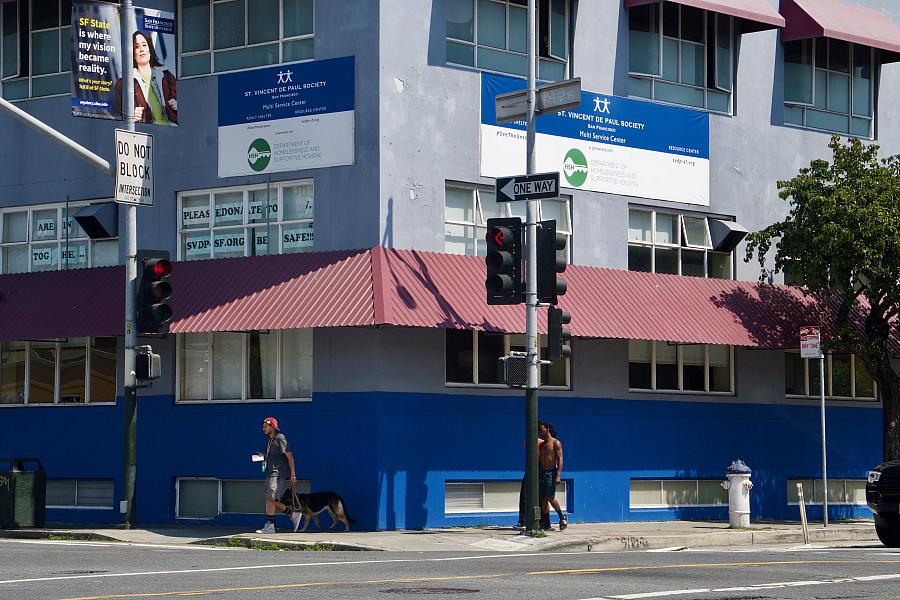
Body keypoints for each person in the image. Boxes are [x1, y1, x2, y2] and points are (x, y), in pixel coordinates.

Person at [114, 30, 177, 125]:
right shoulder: (123, 83)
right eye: (136, 47)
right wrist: (130, 117)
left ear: (150, 50)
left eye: (144, 45)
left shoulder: (167, 75)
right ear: (132, 54)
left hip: (172, 129)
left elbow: (188, 103)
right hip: (146, 131)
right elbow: (115, 116)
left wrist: (177, 104)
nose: (141, 49)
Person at [255, 417, 301, 533]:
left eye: (266, 426)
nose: (263, 428)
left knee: (270, 499)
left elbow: (290, 457)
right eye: (263, 426)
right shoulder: (270, 440)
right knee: (269, 499)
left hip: (277, 473)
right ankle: (292, 514)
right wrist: (263, 456)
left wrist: (293, 475)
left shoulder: (280, 438)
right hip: (270, 472)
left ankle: (270, 526)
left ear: (273, 427)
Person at [515, 425, 546, 530]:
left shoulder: (541, 443)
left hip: (537, 469)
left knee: (536, 496)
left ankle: (532, 521)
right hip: (533, 470)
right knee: (526, 495)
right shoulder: (531, 442)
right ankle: (525, 521)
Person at [539, 421, 567, 530]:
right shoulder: (542, 444)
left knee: (550, 497)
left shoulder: (556, 443)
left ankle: (562, 517)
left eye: (541, 429)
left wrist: (558, 475)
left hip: (551, 472)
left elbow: (560, 459)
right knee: (543, 498)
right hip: (542, 472)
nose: (540, 432)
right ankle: (546, 524)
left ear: (547, 429)